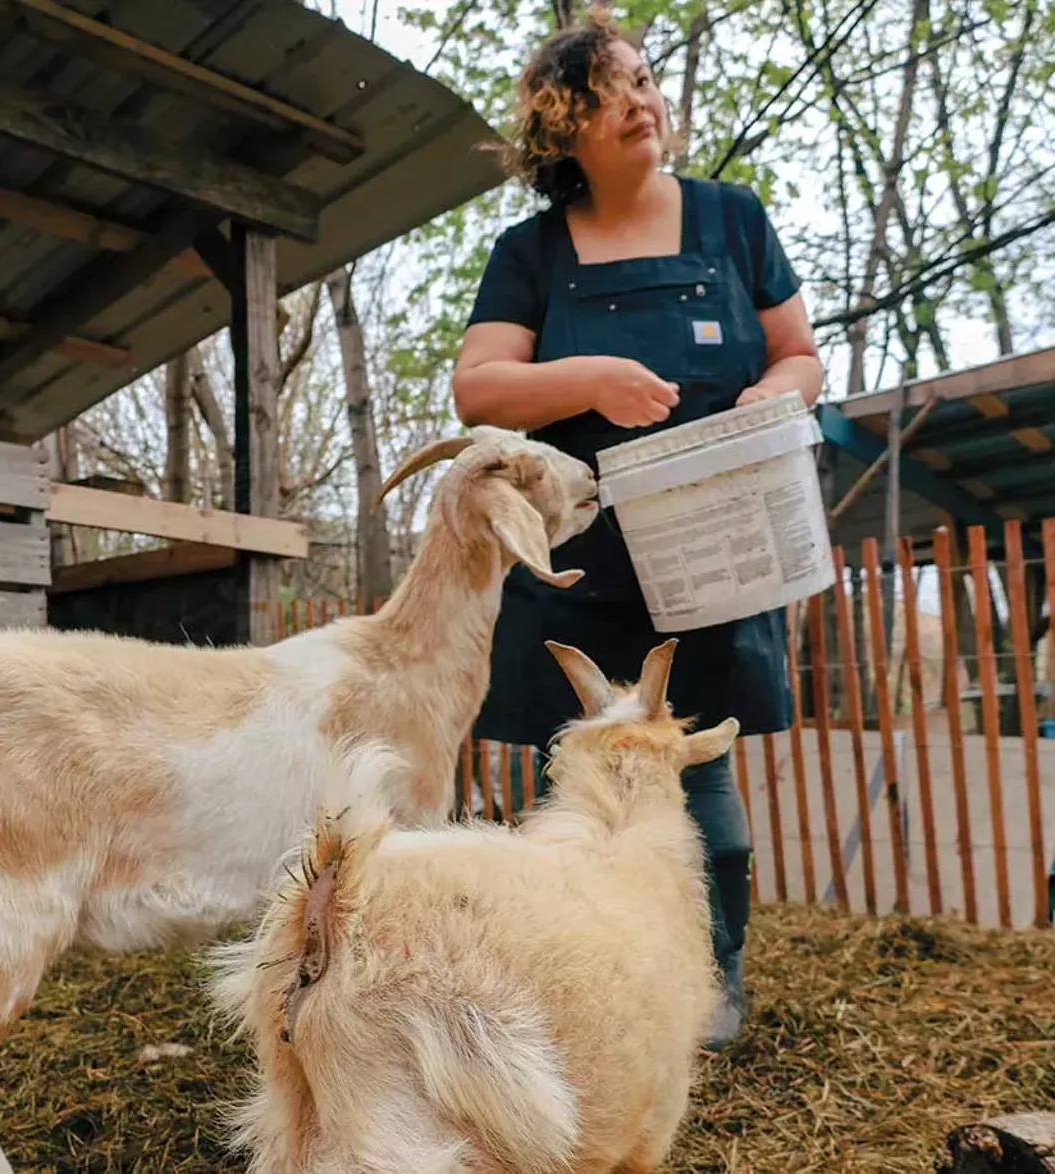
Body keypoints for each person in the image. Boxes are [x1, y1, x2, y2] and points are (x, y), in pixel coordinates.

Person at [452, 10, 823, 1050]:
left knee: (696, 770)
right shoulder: (528, 252)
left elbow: (799, 355)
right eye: (608, 92)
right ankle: (573, 987)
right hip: (574, 565)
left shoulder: (729, 220)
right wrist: (587, 379)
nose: (640, 102)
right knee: (568, 775)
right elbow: (478, 384)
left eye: (644, 79)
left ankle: (712, 982)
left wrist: (770, 399)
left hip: (709, 558)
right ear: (560, 128)